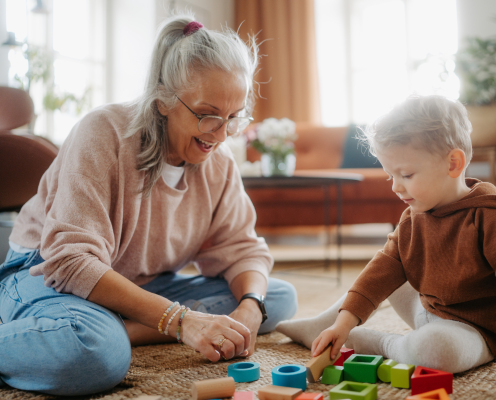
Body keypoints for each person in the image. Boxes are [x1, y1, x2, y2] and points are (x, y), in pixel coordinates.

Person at [0, 14, 297, 396]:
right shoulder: (103, 132)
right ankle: (100, 332)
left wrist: (250, 310)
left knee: (272, 296)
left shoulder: (218, 162)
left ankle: (119, 328)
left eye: (233, 117)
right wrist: (180, 321)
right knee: (94, 353)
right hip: (45, 273)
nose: (221, 134)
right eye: (207, 115)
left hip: (138, 282)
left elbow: (242, 249)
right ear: (163, 100)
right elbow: (70, 260)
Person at [276, 95, 496, 400]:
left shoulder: (490, 219)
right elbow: (381, 271)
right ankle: (326, 325)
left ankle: (377, 342)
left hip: (474, 332)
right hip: (427, 310)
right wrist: (344, 320)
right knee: (382, 274)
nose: (395, 186)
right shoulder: (414, 215)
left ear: (453, 163)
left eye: (406, 175)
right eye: (390, 175)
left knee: (435, 351)